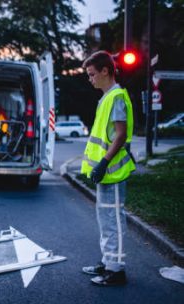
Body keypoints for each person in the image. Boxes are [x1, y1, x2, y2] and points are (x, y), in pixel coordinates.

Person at [81, 51, 135, 286]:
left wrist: (103, 163)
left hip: (112, 171)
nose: (90, 79)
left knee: (113, 220)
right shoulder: (106, 98)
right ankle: (108, 261)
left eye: (92, 74)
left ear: (105, 71)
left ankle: (116, 270)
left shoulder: (116, 97)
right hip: (106, 172)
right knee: (106, 219)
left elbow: (120, 134)